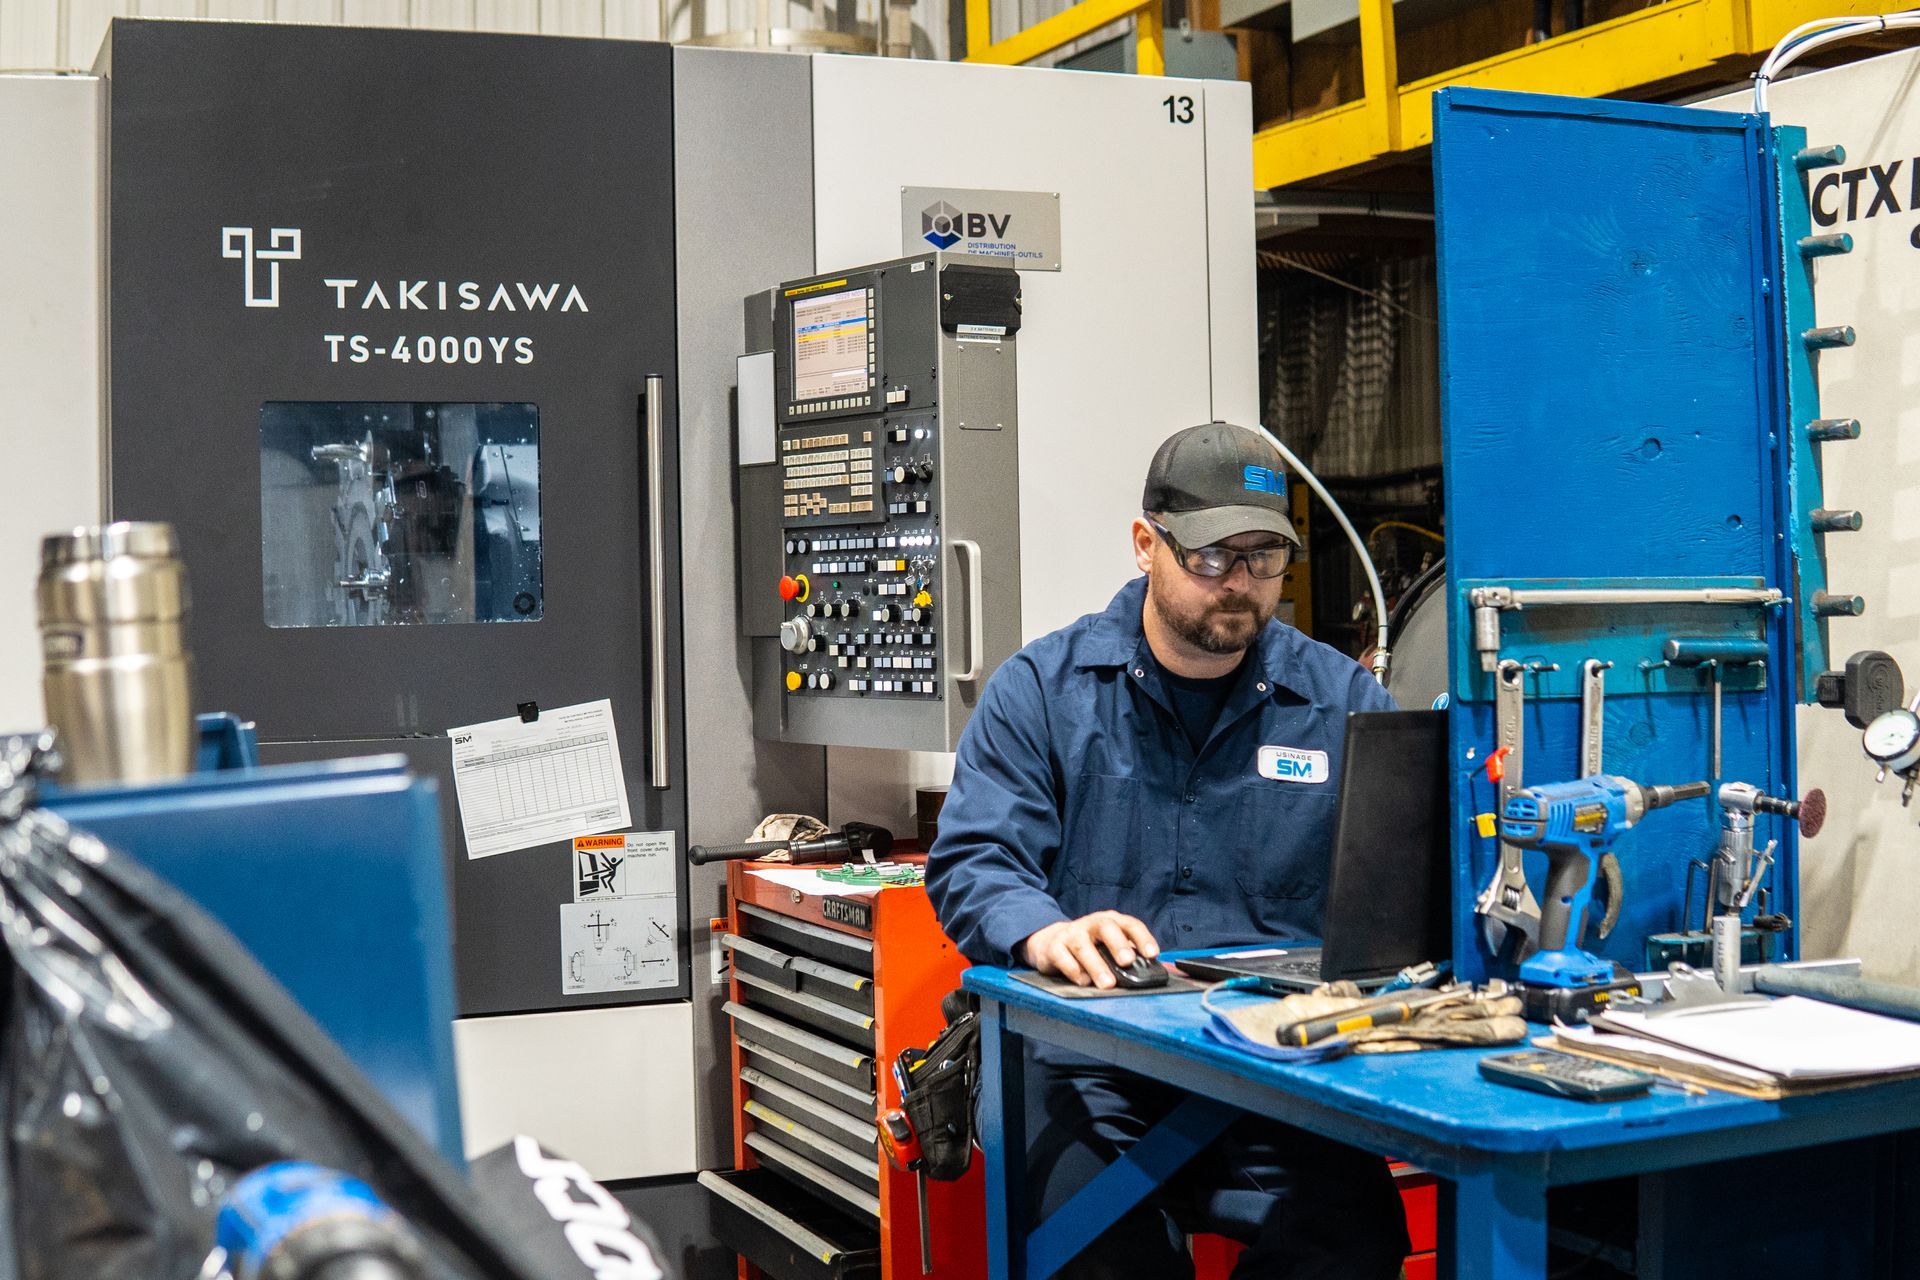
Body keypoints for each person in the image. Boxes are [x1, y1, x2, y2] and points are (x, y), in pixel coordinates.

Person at [926, 422, 1409, 1280]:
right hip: (1089, 1060)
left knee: (1356, 1235)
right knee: (1106, 1254)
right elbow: (975, 862)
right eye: (1214, 557)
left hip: (1276, 1061)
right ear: (1147, 543)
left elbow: (1408, 876)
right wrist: (1046, 932)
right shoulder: (1043, 690)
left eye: (1265, 559)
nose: (1242, 584)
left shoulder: (1342, 702)